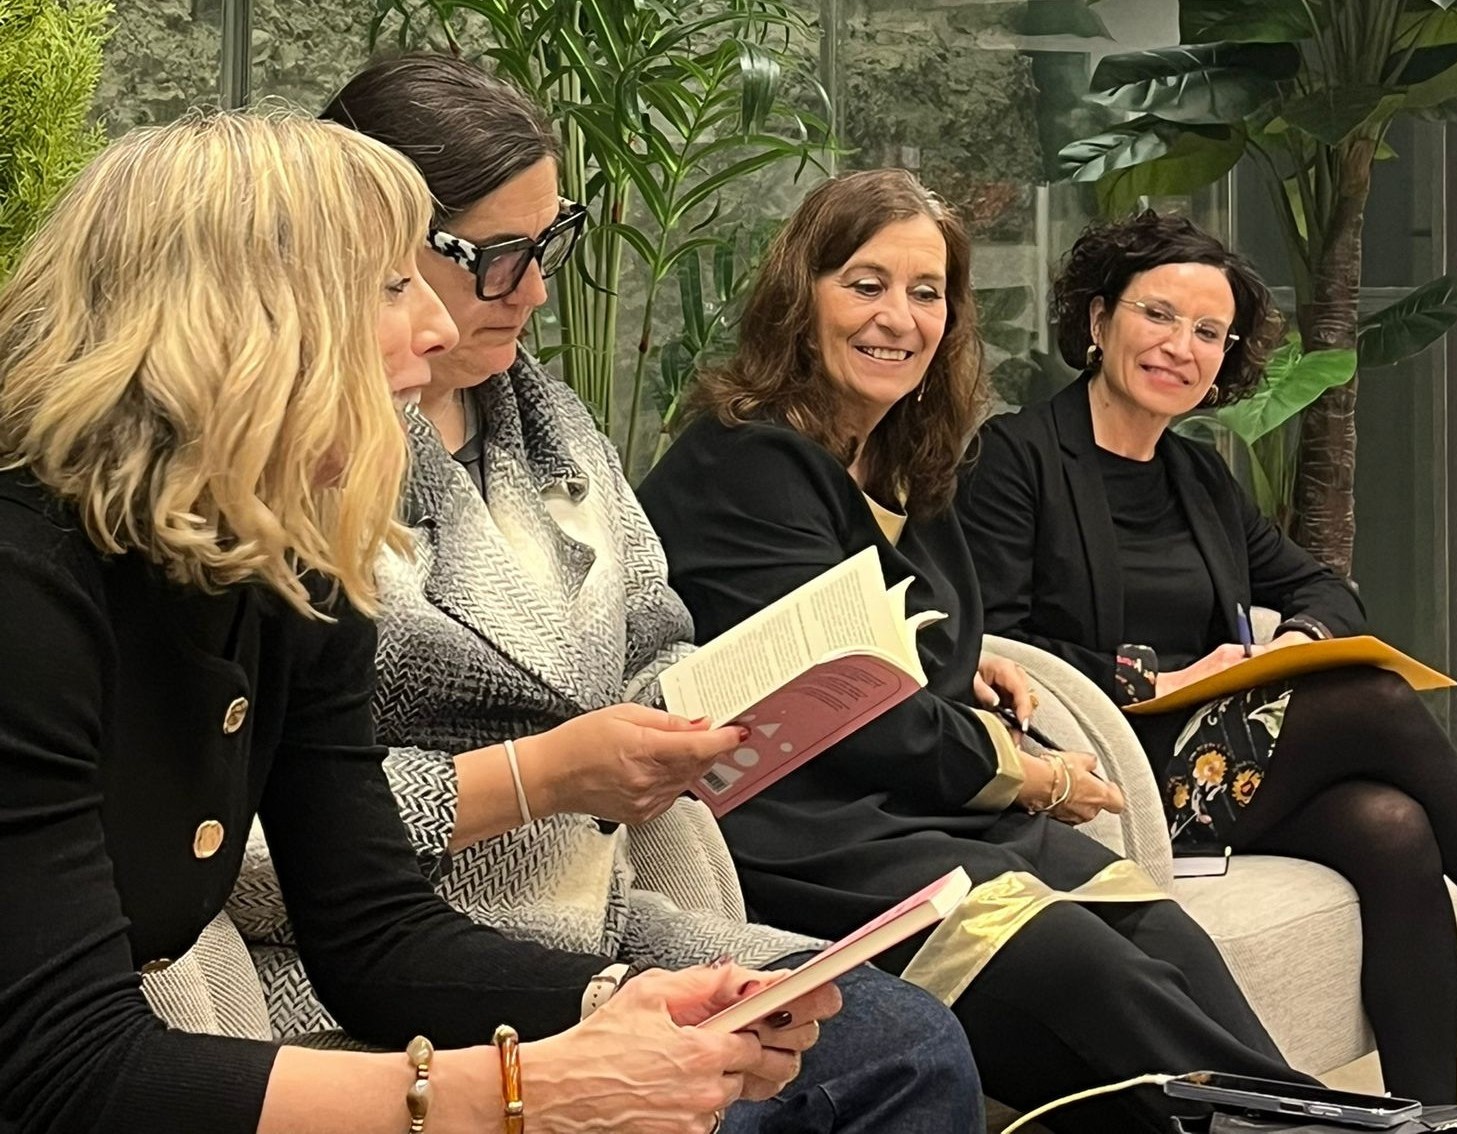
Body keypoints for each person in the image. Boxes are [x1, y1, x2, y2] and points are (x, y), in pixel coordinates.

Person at [0, 109, 847, 1134]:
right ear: (241, 318)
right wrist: (527, 1092)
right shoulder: (26, 581)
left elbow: (372, 933)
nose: (438, 329)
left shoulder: (291, 561)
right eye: (393, 285)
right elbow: (60, 1069)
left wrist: (619, 1006)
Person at [227, 55, 985, 1134]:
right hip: (385, 969)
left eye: (550, 247)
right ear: (358, 252)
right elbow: (273, 841)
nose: (536, 292)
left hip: (596, 914)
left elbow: (653, 635)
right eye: (498, 257)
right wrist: (542, 777)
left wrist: (695, 722)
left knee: (904, 1039)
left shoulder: (553, 426)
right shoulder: (293, 482)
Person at [637, 168, 1313, 1131]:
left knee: (1165, 936)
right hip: (803, 833)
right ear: (801, 295)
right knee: (1088, 971)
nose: (899, 318)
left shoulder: (907, 458)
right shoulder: (745, 461)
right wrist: (1035, 775)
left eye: (928, 293)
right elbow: (855, 704)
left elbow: (925, 644)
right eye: (865, 285)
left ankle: (1328, 1122)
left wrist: (971, 665)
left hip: (919, 807)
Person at [953, 208, 1457, 1103]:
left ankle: (1431, 1119)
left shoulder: (1197, 476)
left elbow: (1323, 588)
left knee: (1393, 826)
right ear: (1099, 319)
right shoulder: (1016, 458)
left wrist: (1294, 642)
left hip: (1222, 765)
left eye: (1208, 332)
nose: (1179, 346)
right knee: (1376, 698)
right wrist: (1158, 678)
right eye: (1158, 315)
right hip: (1108, 769)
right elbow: (993, 641)